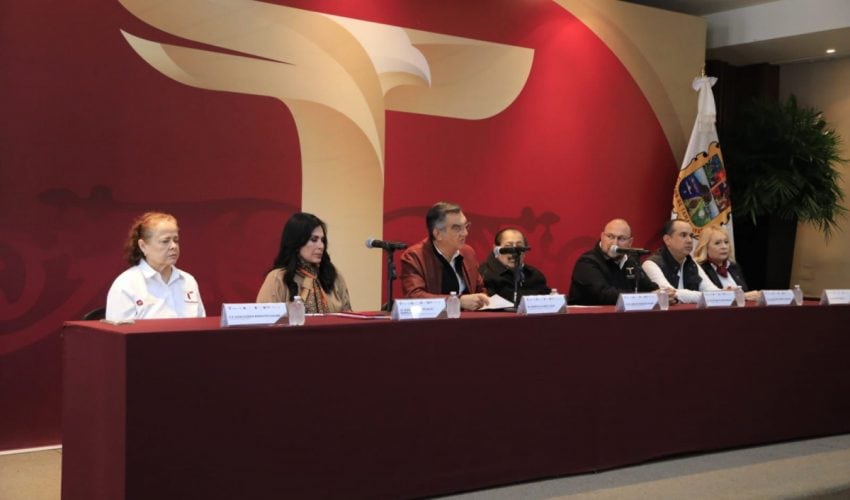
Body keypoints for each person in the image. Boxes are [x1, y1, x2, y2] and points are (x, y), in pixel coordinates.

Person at [106, 212, 206, 321]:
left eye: (176, 240)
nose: (173, 246)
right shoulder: (126, 285)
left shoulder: (188, 281)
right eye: (165, 241)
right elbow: (118, 330)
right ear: (143, 246)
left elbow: (200, 325)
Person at [400, 201, 489, 310]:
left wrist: (482, 298)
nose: (465, 233)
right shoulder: (414, 256)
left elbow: (479, 289)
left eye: (466, 226)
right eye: (457, 228)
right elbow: (414, 297)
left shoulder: (468, 253)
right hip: (433, 320)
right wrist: (457, 301)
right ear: (438, 234)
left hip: (468, 319)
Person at [257, 212, 352, 313]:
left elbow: (348, 316)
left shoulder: (333, 276)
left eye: (322, 240)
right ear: (297, 242)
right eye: (314, 240)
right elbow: (264, 319)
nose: (321, 246)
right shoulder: (278, 278)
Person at [568, 218, 660, 305]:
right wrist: (644, 297)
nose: (615, 243)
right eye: (610, 236)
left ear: (630, 242)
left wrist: (661, 294)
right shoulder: (587, 262)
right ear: (602, 236)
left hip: (623, 315)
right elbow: (605, 294)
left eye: (621, 238)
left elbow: (650, 289)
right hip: (588, 316)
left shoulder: (631, 261)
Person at [642, 219, 719, 304]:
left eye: (691, 236)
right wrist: (707, 296)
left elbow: (712, 291)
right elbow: (669, 294)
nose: (689, 240)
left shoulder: (691, 263)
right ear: (667, 240)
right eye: (683, 235)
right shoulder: (650, 264)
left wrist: (725, 293)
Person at [479, 228, 551, 303]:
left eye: (519, 247)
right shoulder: (484, 275)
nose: (514, 252)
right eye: (508, 246)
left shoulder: (535, 275)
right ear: (496, 249)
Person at [694, 224, 760, 301]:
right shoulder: (699, 269)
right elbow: (709, 297)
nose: (724, 247)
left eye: (726, 242)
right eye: (717, 243)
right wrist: (744, 296)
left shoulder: (734, 267)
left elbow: (745, 293)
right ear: (706, 247)